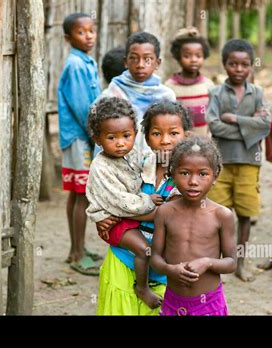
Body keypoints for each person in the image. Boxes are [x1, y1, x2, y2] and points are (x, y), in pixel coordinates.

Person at [96, 101, 193, 315]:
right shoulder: (135, 165)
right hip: (124, 258)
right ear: (146, 137)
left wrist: (121, 215)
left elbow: (176, 220)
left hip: (166, 268)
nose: (165, 140)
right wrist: (103, 216)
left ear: (187, 135)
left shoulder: (191, 176)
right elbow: (111, 195)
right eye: (157, 133)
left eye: (174, 133)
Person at [86, 97, 162, 308]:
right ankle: (142, 287)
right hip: (112, 221)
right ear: (97, 139)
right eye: (112, 137)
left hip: (125, 216)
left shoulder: (132, 155)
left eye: (126, 136)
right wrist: (148, 202)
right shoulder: (100, 167)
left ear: (135, 135)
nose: (120, 143)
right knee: (143, 249)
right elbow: (120, 201)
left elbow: (147, 163)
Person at [206, 39, 271, 282]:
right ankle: (219, 265)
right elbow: (214, 126)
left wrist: (234, 119)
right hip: (220, 163)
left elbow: (265, 125)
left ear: (251, 67)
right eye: (233, 64)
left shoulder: (259, 93)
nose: (239, 69)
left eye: (244, 64)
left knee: (245, 214)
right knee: (219, 215)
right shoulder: (216, 92)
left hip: (248, 163)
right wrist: (249, 129)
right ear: (225, 64)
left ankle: (240, 264)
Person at [150, 136, 237, 316]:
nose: (193, 182)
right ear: (173, 173)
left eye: (203, 174)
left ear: (215, 176)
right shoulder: (165, 212)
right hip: (172, 302)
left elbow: (231, 263)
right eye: (185, 173)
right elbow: (155, 258)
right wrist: (169, 269)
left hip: (209, 304)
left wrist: (207, 263)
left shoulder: (222, 215)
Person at [58, 13, 101, 275]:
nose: (88, 36)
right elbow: (80, 106)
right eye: (81, 32)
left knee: (78, 194)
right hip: (78, 137)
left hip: (82, 136)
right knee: (81, 194)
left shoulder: (86, 61)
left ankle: (79, 248)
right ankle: (76, 254)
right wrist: (95, 134)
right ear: (68, 38)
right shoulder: (75, 65)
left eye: (91, 31)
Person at [99, 32, 176, 153]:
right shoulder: (112, 94)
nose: (140, 65)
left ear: (157, 63)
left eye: (148, 59)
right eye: (134, 58)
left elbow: (172, 133)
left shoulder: (166, 96)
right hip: (120, 161)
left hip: (156, 161)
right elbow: (102, 136)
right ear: (125, 61)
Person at [165, 27, 214, 137]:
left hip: (205, 143)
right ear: (178, 57)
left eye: (198, 55)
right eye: (187, 56)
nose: (193, 60)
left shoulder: (208, 85)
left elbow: (213, 115)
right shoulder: (170, 87)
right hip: (180, 145)